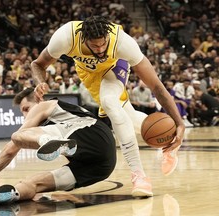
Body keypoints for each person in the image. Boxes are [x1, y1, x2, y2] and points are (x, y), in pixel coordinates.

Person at [31, 16, 185, 196]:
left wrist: (179, 122)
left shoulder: (122, 43)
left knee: (110, 102)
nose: (101, 49)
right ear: (83, 39)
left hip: (114, 68)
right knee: (128, 116)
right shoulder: (65, 38)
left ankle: (139, 175)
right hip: (89, 75)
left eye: (103, 44)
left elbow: (156, 86)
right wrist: (39, 82)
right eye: (95, 46)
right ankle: (168, 140)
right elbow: (37, 64)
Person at [0, 88, 117, 206]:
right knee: (33, 184)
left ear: (38, 98)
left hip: (92, 131)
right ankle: (1, 195)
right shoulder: (61, 122)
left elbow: (11, 148)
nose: (25, 115)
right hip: (103, 165)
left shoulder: (44, 105)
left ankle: (47, 141)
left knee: (17, 136)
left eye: (26, 109)